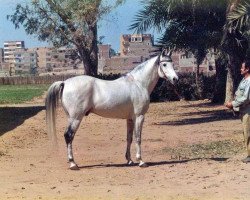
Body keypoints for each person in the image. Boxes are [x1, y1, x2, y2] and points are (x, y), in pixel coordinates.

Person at [225, 59, 250, 163]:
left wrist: (233, 104)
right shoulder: (244, 80)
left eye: (242, 68)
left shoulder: (249, 81)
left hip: (248, 111)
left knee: (248, 132)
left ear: (247, 69)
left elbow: (246, 98)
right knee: (245, 132)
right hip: (243, 110)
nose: (241, 69)